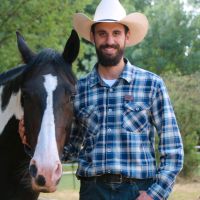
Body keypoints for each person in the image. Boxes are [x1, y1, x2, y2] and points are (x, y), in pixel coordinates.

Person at [19, 0, 184, 199]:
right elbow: (70, 150)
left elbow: (173, 149)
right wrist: (31, 142)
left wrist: (155, 194)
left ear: (126, 37)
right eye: (102, 33)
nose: (109, 41)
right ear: (92, 37)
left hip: (137, 191)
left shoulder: (152, 84)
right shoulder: (79, 90)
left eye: (116, 33)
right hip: (93, 191)